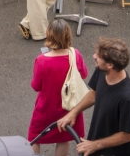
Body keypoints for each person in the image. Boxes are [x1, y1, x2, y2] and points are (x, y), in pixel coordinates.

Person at [56, 37, 130, 156]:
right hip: (95, 146)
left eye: (98, 56)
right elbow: (94, 93)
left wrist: (95, 145)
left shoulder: (127, 98)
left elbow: (129, 134)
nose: (94, 56)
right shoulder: (102, 71)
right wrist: (74, 112)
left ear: (110, 65)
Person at [29, 18, 89, 156]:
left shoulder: (42, 60)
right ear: (68, 35)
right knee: (63, 138)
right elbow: (84, 75)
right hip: (69, 108)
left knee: (34, 138)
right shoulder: (75, 55)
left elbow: (36, 86)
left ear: (49, 36)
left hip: (46, 108)